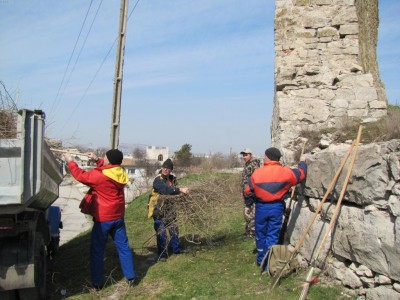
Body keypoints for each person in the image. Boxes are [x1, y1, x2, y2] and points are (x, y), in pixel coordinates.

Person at [63, 149, 136, 289]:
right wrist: (97, 160)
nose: (103, 158)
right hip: (118, 217)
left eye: (104, 157)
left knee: (97, 250)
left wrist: (70, 161)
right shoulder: (121, 172)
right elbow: (110, 169)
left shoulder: (100, 176)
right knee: (124, 247)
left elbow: (80, 175)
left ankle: (97, 283)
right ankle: (131, 277)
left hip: (103, 218)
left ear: (108, 160)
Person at [244, 147, 307, 268]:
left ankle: (261, 259)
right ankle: (269, 262)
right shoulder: (286, 172)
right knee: (273, 234)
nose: (263, 158)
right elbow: (301, 174)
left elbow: (248, 191)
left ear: (268, 157)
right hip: (276, 207)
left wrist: (248, 205)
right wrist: (302, 162)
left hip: (261, 207)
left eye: (265, 156)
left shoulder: (257, 173)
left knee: (260, 233)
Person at [147, 158, 189, 262]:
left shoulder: (172, 179)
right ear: (161, 168)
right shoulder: (158, 180)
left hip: (170, 209)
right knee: (161, 232)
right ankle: (162, 255)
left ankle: (176, 249)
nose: (166, 170)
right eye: (164, 167)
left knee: (174, 230)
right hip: (159, 209)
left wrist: (183, 194)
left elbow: (175, 192)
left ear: (171, 170)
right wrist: (179, 190)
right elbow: (166, 190)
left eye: (168, 168)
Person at [240, 148, 261, 240]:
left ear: (250, 155)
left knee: (251, 213)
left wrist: (252, 192)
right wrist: (242, 191)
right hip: (246, 193)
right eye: (243, 155)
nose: (244, 157)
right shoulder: (247, 165)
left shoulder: (254, 164)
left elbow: (256, 179)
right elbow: (244, 180)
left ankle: (252, 233)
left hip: (252, 193)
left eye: (246, 155)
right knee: (246, 212)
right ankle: (248, 231)